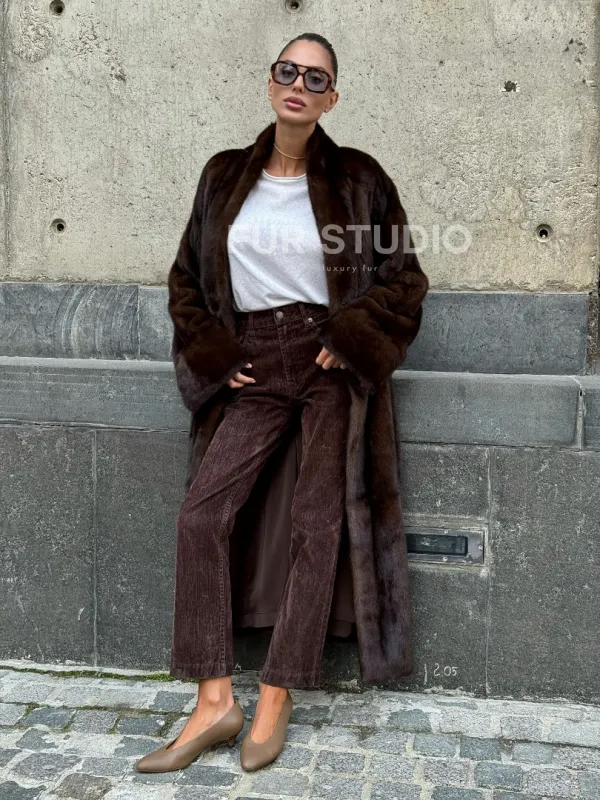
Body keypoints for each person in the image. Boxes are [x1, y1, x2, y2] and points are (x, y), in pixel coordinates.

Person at [136, 31, 429, 775]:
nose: (299, 84)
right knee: (202, 515)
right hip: (254, 358)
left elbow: (403, 278)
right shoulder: (223, 176)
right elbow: (186, 279)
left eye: (315, 77)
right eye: (288, 71)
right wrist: (213, 353)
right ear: (271, 83)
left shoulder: (359, 179)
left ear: (332, 98)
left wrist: (353, 335)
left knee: (315, 523)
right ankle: (213, 701)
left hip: (328, 360)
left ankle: (276, 693)